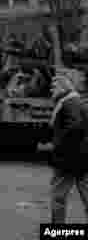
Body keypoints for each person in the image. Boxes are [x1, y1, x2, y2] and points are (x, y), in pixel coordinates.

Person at [48, 74, 88, 224]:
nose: (51, 90)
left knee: (58, 197)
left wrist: (60, 146)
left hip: (67, 161)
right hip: (82, 159)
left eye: (54, 87)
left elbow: (74, 126)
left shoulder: (68, 103)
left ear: (63, 88)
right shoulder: (77, 101)